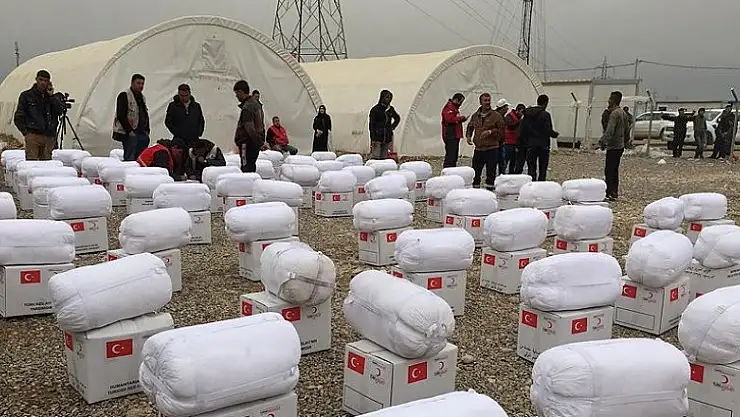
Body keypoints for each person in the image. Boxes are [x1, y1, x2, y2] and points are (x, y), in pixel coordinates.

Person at [13, 70, 65, 160]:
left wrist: (51, 97)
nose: (43, 83)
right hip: (33, 135)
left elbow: (59, 112)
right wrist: (26, 133)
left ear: (49, 82)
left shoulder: (52, 98)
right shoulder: (27, 96)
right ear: (36, 79)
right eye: (41, 80)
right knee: (32, 164)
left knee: (47, 164)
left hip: (49, 137)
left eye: (46, 81)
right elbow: (19, 116)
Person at [465, 93, 504, 190]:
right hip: (478, 149)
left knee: (491, 173)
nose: (487, 102)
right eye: (485, 100)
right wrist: (469, 137)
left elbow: (502, 131)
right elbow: (470, 126)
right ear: (480, 102)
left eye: (489, 100)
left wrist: (490, 132)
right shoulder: (475, 116)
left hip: (492, 149)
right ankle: (475, 192)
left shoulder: (496, 116)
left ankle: (489, 192)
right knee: (475, 173)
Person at [519, 94, 559, 181]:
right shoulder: (545, 115)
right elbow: (548, 129)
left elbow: (522, 130)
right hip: (543, 145)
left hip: (530, 144)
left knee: (531, 168)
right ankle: (541, 184)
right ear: (546, 103)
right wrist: (555, 134)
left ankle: (532, 184)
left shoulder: (527, 114)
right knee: (543, 168)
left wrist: (524, 142)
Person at [599, 91, 629, 201]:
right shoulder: (623, 113)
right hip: (620, 146)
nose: (608, 101)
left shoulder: (614, 114)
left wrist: (603, 142)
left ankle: (609, 192)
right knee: (615, 169)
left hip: (613, 146)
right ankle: (614, 191)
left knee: (609, 170)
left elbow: (610, 130)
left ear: (614, 100)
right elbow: (627, 129)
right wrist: (626, 142)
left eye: (610, 99)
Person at [113, 74, 150, 161]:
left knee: (140, 156)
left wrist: (147, 130)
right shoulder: (124, 95)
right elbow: (121, 115)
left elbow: (144, 114)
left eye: (142, 83)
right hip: (129, 132)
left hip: (141, 132)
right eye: (138, 83)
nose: (141, 86)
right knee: (130, 156)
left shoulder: (142, 97)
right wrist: (129, 131)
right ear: (132, 83)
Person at [233, 80, 266, 173]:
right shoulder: (257, 105)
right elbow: (261, 124)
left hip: (247, 143)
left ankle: (248, 182)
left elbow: (249, 128)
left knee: (246, 167)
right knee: (251, 165)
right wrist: (260, 141)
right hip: (254, 143)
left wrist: (256, 141)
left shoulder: (247, 107)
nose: (236, 96)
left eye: (237, 93)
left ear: (241, 92)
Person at [164, 84, 205, 149]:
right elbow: (168, 121)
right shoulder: (173, 106)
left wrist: (199, 132)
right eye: (182, 96)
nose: (184, 98)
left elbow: (201, 120)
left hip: (194, 139)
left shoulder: (196, 106)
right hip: (179, 139)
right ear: (178, 94)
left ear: (189, 94)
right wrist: (176, 132)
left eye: (186, 95)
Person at [368, 90, 401, 159]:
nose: (388, 99)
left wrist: (392, 127)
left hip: (387, 137)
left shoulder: (390, 109)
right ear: (382, 98)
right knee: (376, 156)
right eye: (387, 97)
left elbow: (397, 118)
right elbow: (371, 125)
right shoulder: (375, 109)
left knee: (384, 157)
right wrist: (373, 137)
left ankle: (382, 165)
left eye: (390, 98)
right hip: (377, 137)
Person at [441, 93, 468, 168]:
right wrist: (460, 118)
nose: (461, 104)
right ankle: (447, 170)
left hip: (455, 135)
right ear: (456, 100)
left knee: (454, 156)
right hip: (450, 135)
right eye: (460, 102)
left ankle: (452, 169)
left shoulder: (454, 108)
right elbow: (449, 119)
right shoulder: (449, 108)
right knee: (450, 156)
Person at [504, 103, 526, 174]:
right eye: (521, 112)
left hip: (516, 143)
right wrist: (520, 121)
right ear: (517, 110)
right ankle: (502, 175)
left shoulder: (519, 118)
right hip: (508, 142)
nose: (522, 114)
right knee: (505, 161)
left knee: (513, 162)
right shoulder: (509, 116)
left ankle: (511, 174)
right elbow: (511, 125)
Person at [494, 99, 510, 174]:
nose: (507, 109)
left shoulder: (503, 117)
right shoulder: (494, 116)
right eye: (506, 107)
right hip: (495, 142)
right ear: (502, 108)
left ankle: (501, 175)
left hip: (501, 142)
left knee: (502, 162)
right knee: (494, 162)